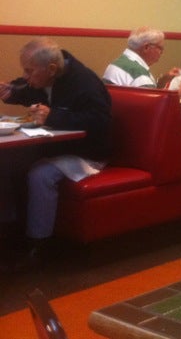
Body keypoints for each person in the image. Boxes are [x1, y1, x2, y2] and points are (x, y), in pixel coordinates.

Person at [0, 38, 112, 266]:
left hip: (88, 153)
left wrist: (53, 116)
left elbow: (100, 121)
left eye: (29, 71)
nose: (26, 75)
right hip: (55, 147)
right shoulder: (48, 75)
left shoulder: (85, 83)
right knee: (8, 161)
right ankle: (10, 229)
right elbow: (28, 88)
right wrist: (11, 92)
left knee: (40, 174)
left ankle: (38, 244)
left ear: (51, 68)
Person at [103, 27, 181, 151]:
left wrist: (164, 80)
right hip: (142, 138)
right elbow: (160, 113)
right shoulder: (140, 74)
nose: (162, 52)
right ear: (146, 47)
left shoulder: (117, 64)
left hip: (119, 132)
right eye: (160, 48)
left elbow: (147, 98)